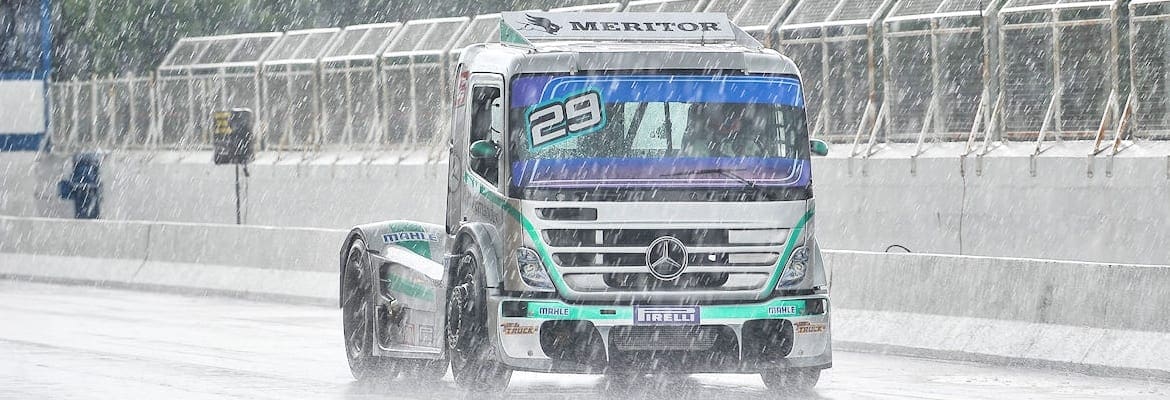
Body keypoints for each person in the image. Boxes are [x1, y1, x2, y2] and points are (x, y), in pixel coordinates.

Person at [681, 103, 768, 157]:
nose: (727, 122)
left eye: (734, 117)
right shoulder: (697, 148)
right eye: (725, 118)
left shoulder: (751, 146)